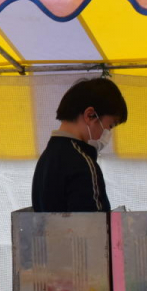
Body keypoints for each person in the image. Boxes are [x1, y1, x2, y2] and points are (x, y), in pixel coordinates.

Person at [31, 77, 127, 213]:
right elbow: (96, 227)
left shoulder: (46, 158)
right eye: (110, 125)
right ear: (90, 115)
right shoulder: (82, 163)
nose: (107, 133)